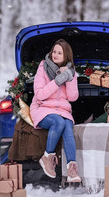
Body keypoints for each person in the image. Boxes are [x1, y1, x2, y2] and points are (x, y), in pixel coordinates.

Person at [30, 39, 81, 182]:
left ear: (66, 56)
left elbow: (72, 97)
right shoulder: (43, 68)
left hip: (63, 110)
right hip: (42, 108)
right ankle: (47, 157)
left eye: (60, 53)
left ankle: (72, 168)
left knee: (67, 127)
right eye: (54, 51)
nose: (56, 55)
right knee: (58, 122)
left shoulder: (71, 72)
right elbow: (39, 94)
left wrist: (69, 77)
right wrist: (58, 80)